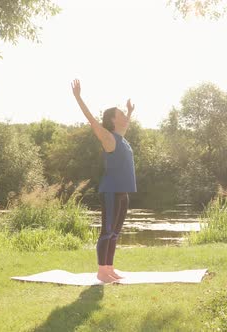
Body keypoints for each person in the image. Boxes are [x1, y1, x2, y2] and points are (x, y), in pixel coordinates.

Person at [71, 79, 137, 284]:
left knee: (115, 233)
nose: (125, 118)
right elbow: (91, 120)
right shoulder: (108, 138)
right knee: (107, 231)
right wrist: (78, 97)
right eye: (121, 115)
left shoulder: (122, 137)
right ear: (112, 120)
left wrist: (129, 112)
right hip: (111, 191)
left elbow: (125, 124)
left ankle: (109, 268)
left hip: (123, 191)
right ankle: (101, 271)